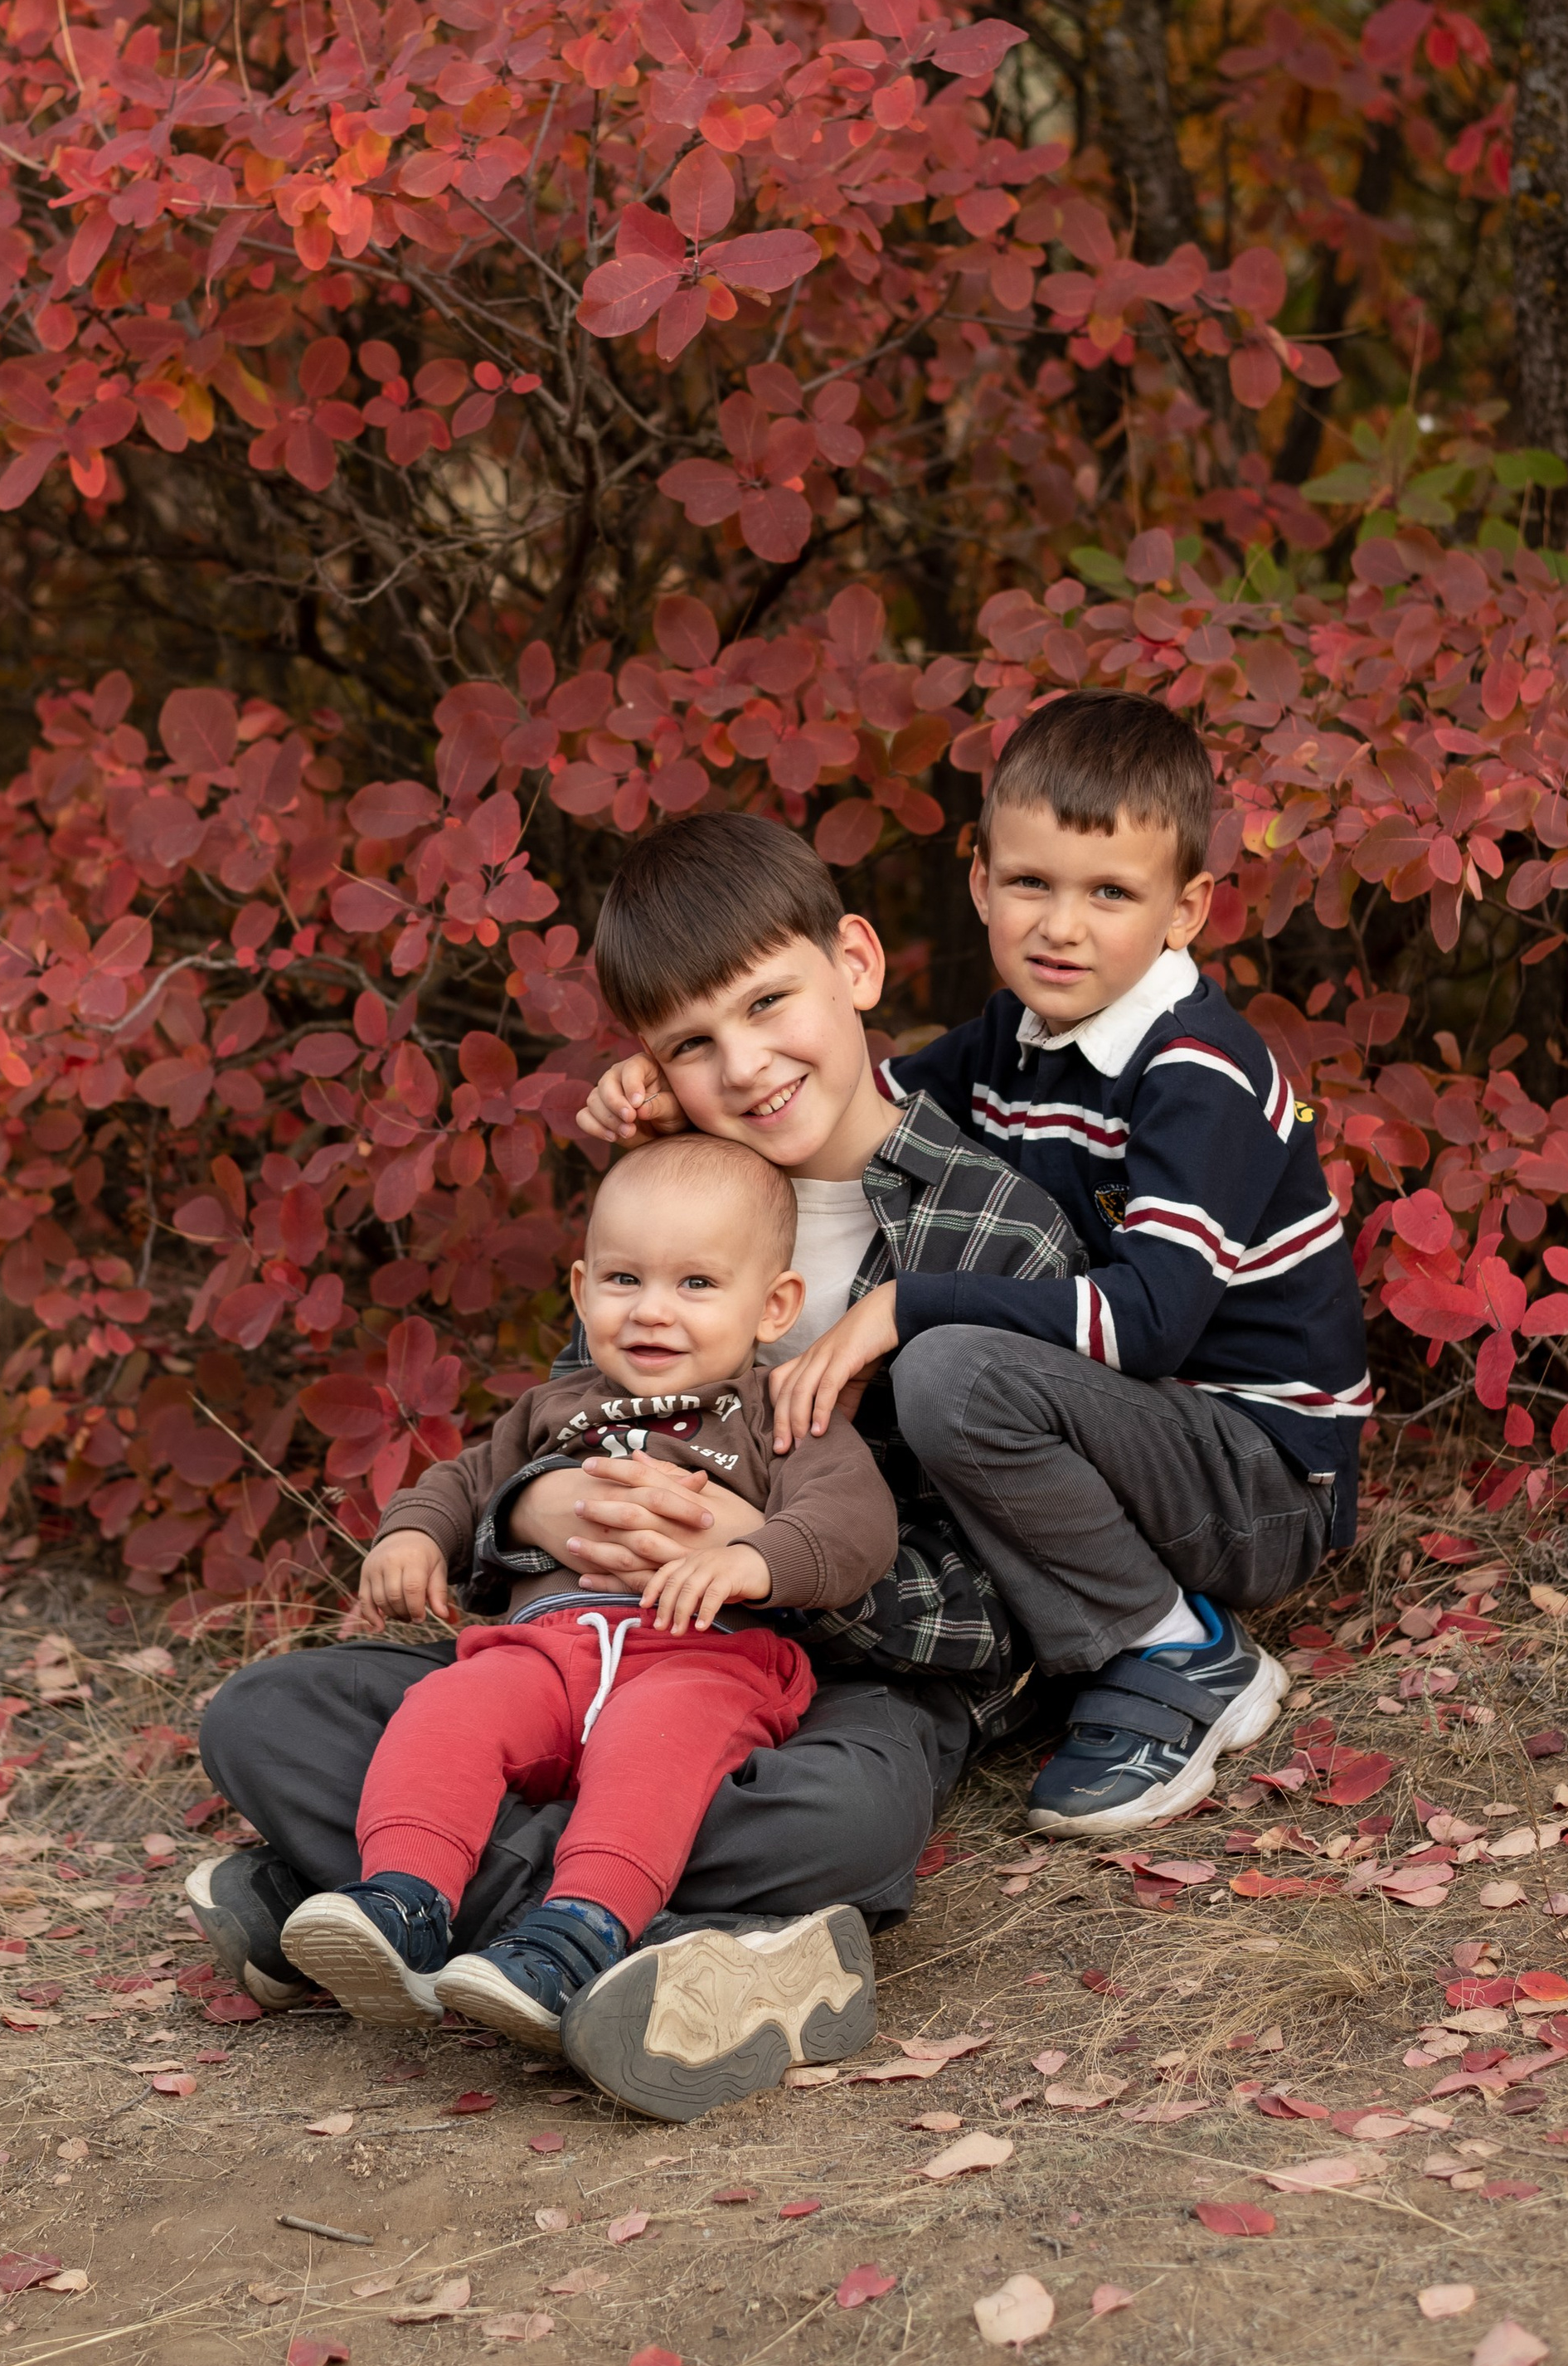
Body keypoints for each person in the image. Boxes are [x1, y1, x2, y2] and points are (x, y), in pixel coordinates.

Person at [189, 814, 1081, 2116]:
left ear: (858, 964)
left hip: (832, 1689)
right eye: (694, 1044)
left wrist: (761, 1560)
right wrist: (531, 1508)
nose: (748, 1065)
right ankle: (624, 1937)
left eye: (771, 1004)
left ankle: (403, 1896)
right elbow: (562, 1422)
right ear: (653, 1064)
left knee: (856, 1822)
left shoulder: (998, 1223)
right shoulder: (660, 1211)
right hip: (585, 1651)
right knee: (259, 1717)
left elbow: (1005, 1609)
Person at [597, 694, 1368, 1835]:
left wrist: (907, 1303)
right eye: (1030, 884)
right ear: (981, 882)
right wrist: (670, 1103)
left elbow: (1152, 1321)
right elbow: (853, 1097)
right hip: (1133, 1433)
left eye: (1110, 892)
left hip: (1261, 1472)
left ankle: (1182, 1650)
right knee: (960, 1369)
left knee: (953, 1372)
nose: (1063, 926)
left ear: (1187, 908)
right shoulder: (1018, 1036)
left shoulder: (1200, 1072)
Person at [273, 1134, 899, 2118]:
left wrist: (753, 1559)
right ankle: (403, 1900)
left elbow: (855, 1528)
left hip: (703, 1656)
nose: (651, 1308)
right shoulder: (553, 1410)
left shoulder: (782, 1414)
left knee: (657, 1748)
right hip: (549, 1648)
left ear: (772, 1306)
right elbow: (460, 1481)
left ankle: (578, 1932)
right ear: (579, 1287)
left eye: (696, 1283)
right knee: (449, 1707)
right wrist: (409, 1537)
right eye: (622, 1278)